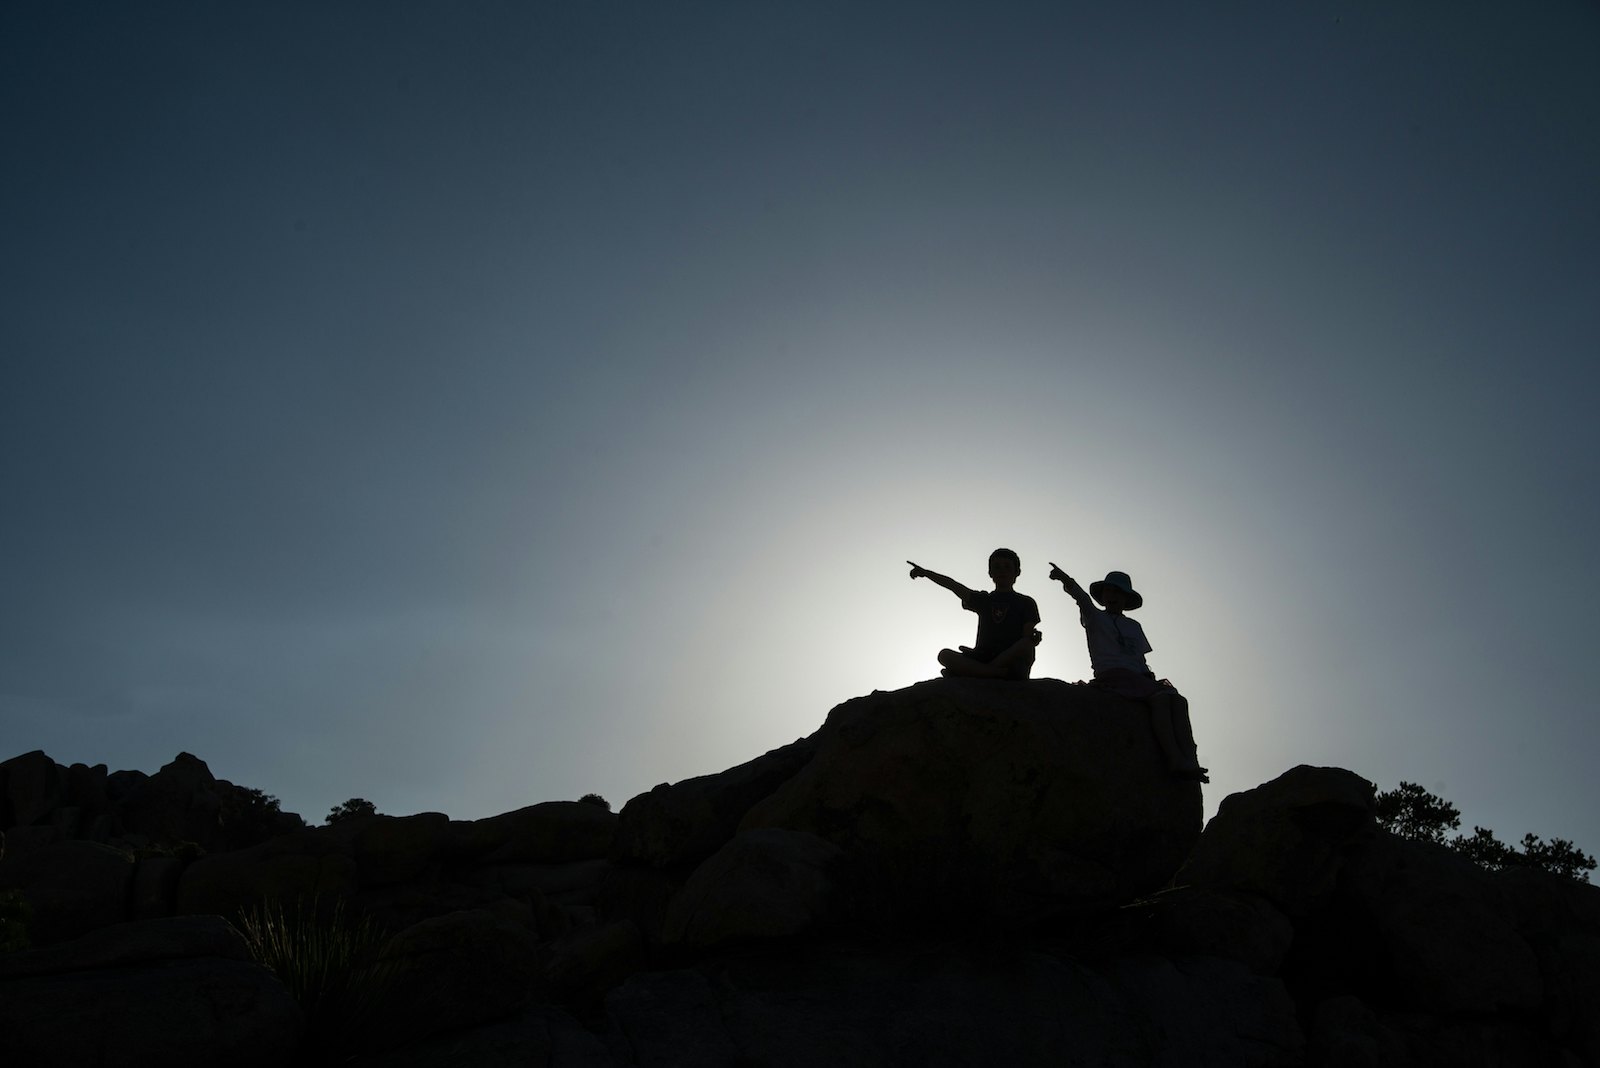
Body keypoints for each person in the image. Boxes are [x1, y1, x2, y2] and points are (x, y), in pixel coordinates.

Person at [1048, 563, 1208, 782]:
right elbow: (1081, 598)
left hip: (1138, 678)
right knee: (1161, 700)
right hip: (1112, 673)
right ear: (1102, 596)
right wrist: (1065, 579)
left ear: (1126, 599)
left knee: (1179, 701)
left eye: (1118, 593)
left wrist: (1148, 677)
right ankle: (1175, 759)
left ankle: (1190, 760)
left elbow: (1139, 659)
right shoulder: (1095, 617)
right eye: (1109, 591)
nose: (1113, 596)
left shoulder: (1134, 625)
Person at [907, 548, 1042, 679]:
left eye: (1007, 567)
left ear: (1017, 572)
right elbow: (954, 586)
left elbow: (1027, 636)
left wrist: (1033, 639)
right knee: (944, 655)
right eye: (997, 567)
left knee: (1026, 644)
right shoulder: (984, 600)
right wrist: (926, 573)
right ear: (990, 572)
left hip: (1009, 660)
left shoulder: (1026, 602)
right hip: (984, 658)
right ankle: (994, 673)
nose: (1002, 571)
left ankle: (974, 672)